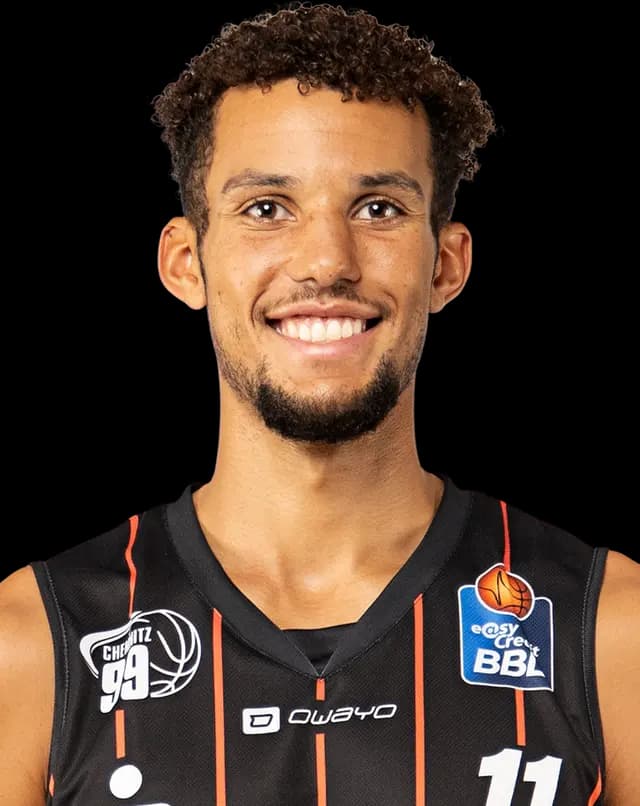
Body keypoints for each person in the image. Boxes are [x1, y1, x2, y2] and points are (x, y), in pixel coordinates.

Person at [1, 3, 638, 803]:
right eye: (267, 208)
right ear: (187, 262)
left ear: (445, 265)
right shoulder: (32, 642)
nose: (327, 261)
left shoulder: (609, 628)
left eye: (379, 209)